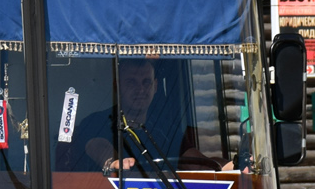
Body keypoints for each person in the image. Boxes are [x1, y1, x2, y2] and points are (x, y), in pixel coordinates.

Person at [74, 57, 231, 173]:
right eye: (131, 82)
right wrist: (114, 162)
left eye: (146, 82)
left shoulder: (166, 129)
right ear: (117, 86)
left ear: (155, 86)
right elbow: (98, 146)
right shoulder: (97, 121)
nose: (140, 90)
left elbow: (197, 163)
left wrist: (228, 167)